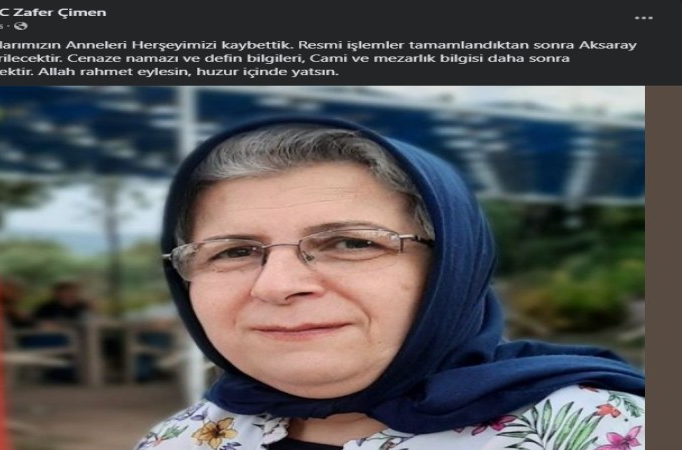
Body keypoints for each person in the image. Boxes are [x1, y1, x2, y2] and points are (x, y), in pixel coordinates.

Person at [136, 116, 645, 449]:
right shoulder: (186, 437)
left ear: (453, 267)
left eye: (351, 243)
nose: (277, 285)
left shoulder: (605, 432)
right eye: (234, 251)